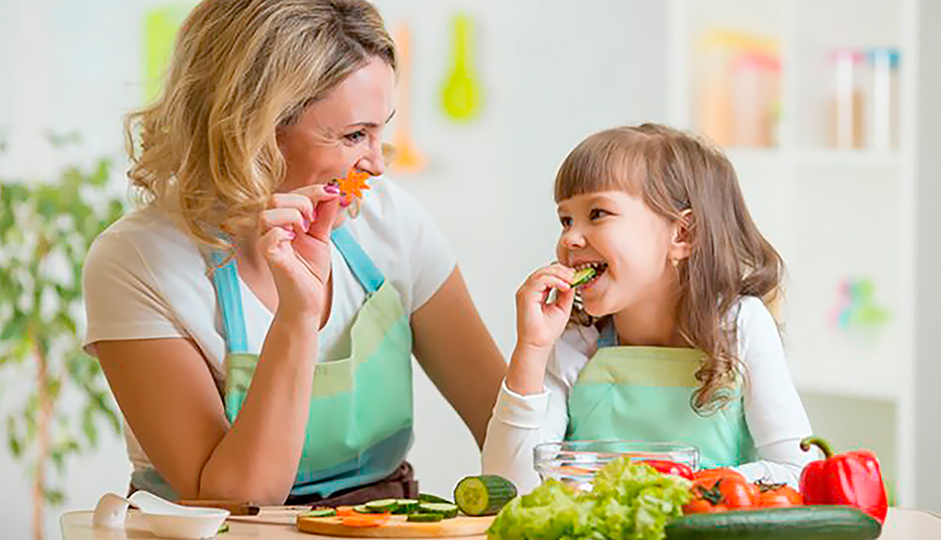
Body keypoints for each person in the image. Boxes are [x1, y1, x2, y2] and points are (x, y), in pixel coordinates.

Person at [83, 0, 505, 506]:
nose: (376, 164)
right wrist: (297, 317)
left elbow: (505, 425)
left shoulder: (390, 220)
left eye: (380, 129)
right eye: (354, 136)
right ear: (253, 129)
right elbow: (233, 500)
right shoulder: (136, 261)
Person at [482, 123, 816, 493]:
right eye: (565, 220)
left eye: (597, 214)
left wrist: (695, 485)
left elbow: (798, 472)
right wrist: (531, 349)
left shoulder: (740, 326)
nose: (569, 239)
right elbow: (509, 485)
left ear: (682, 235)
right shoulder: (576, 341)